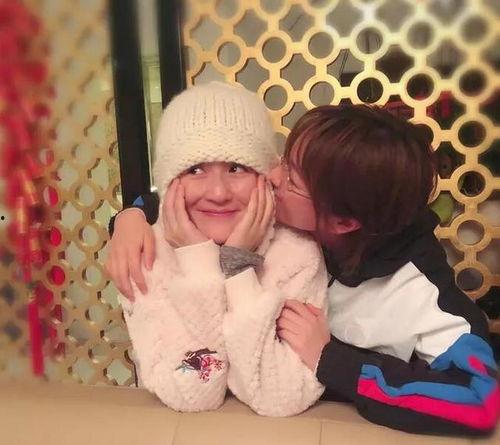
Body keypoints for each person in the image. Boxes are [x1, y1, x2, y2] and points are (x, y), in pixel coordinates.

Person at [107, 102, 499, 436]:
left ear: (344, 222)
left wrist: (332, 358)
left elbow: (480, 400)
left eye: (291, 179)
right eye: (284, 161)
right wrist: (130, 216)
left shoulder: (418, 290)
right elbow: (202, 191)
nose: (271, 178)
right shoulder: (310, 214)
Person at [107, 81, 328, 416]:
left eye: (236, 168)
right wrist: (198, 264)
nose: (219, 193)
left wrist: (239, 270)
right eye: (195, 170)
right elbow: (191, 393)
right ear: (169, 182)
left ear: (266, 176)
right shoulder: (145, 255)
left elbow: (281, 396)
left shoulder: (297, 255)